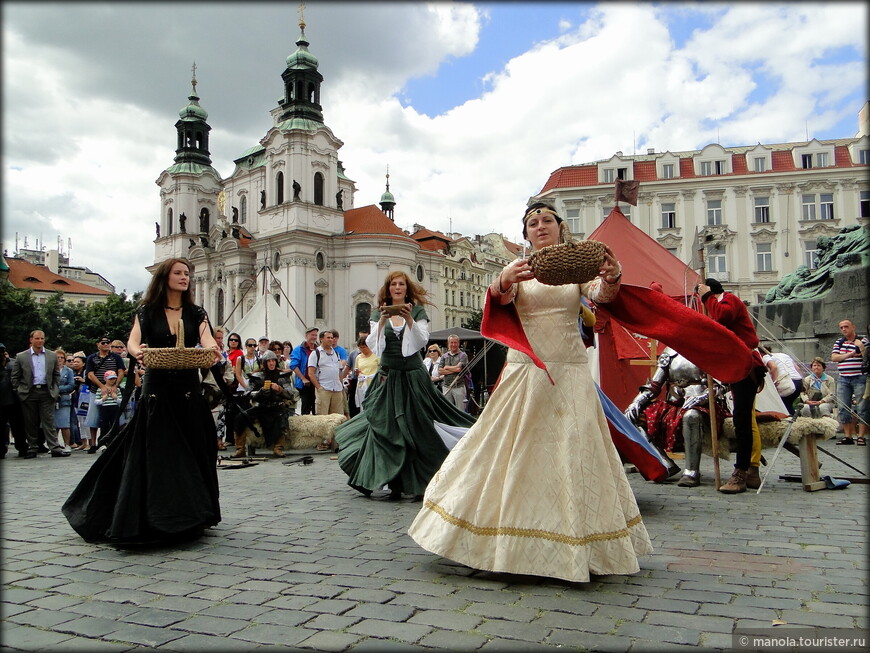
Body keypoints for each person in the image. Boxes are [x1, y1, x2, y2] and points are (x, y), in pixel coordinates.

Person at [408, 203, 651, 582]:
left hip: (569, 371)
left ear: (559, 228)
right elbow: (500, 302)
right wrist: (502, 281)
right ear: (525, 234)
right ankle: (494, 538)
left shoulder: (575, 269)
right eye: (533, 223)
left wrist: (613, 274)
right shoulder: (519, 269)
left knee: (573, 451)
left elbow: (601, 296)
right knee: (506, 448)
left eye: (547, 221)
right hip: (526, 369)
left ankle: (574, 542)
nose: (540, 227)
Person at [62, 257, 221, 544]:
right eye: (178, 273)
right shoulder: (147, 311)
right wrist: (138, 351)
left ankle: (194, 513)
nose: (185, 277)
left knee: (196, 448)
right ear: (165, 277)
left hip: (187, 387)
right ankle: (154, 516)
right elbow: (134, 340)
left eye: (187, 273)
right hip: (158, 387)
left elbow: (207, 339)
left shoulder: (196, 312)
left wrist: (212, 349)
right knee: (158, 452)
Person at [335, 270, 477, 500]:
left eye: (401, 284)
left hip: (412, 377)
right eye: (394, 284)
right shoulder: (377, 313)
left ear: (406, 288)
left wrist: (409, 318)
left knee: (417, 426)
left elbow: (421, 341)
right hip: (388, 378)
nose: (398, 288)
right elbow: (373, 344)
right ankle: (390, 481)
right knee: (385, 428)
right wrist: (382, 319)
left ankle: (423, 479)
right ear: (388, 288)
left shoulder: (418, 311)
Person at [697, 278, 766, 493]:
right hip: (736, 365)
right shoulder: (715, 304)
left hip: (746, 365)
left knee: (742, 420)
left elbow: (723, 316)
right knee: (742, 419)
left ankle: (742, 472)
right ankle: (751, 472)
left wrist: (706, 296)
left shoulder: (729, 299)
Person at [624, 348, 724, 488]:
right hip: (674, 404)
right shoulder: (669, 353)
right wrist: (637, 402)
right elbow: (654, 386)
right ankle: (664, 463)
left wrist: (702, 398)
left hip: (705, 406)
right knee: (634, 416)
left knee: (691, 416)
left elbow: (722, 385)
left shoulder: (707, 347)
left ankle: (691, 472)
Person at [10, 330, 68, 459]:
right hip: (28, 392)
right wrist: (19, 389)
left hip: (46, 391)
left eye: (42, 338)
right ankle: (33, 447)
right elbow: (15, 377)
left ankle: (54, 447)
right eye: (37, 338)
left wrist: (55, 388)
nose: (40, 341)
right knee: (30, 421)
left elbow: (56, 374)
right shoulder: (21, 356)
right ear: (31, 340)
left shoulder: (51, 355)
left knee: (49, 421)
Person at [231, 350, 297, 458]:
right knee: (240, 417)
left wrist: (280, 389)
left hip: (276, 407)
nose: (271, 363)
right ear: (264, 363)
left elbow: (290, 394)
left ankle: (278, 447)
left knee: (282, 419)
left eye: (273, 361)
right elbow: (247, 393)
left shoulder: (282, 376)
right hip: (261, 407)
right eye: (269, 361)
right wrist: (259, 392)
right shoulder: (256, 376)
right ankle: (240, 448)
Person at [83, 336, 126, 453]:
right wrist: (102, 387)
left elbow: (121, 371)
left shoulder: (116, 357)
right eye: (103, 342)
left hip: (113, 390)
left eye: (108, 342)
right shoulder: (92, 358)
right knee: (94, 417)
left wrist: (115, 385)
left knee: (116, 418)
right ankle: (93, 444)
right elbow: (90, 374)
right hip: (95, 390)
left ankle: (114, 441)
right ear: (98, 344)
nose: (106, 344)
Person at [308, 330, 348, 448]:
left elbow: (339, 371)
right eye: (328, 338)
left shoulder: (336, 353)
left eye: (332, 338)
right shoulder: (316, 353)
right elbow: (311, 373)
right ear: (321, 339)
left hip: (337, 388)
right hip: (324, 388)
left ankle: (336, 442)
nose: (331, 340)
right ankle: (322, 442)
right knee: (322, 417)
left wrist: (341, 386)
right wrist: (319, 388)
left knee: (337, 417)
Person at [831, 319, 868, 445]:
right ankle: (848, 436)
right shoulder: (839, 342)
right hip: (843, 378)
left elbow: (865, 356)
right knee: (843, 407)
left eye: (846, 326)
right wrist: (852, 354)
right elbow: (834, 357)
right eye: (841, 327)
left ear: (853, 327)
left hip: (859, 377)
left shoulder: (862, 340)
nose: (843, 329)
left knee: (862, 407)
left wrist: (861, 347)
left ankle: (861, 436)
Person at [0, 343, 27, 459]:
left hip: (15, 400)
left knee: (19, 427)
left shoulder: (13, 363)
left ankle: (22, 448)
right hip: (2, 401)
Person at [760, 345, 802, 416]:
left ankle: (791, 422)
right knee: (788, 404)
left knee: (782, 406)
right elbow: (798, 369)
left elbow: (774, 367)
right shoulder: (784, 355)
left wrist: (773, 383)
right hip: (798, 381)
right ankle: (796, 419)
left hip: (787, 382)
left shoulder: (765, 357)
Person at [290, 327, 319, 415]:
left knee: (316, 406)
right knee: (306, 405)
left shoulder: (319, 350)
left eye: (315, 335)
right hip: (305, 383)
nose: (314, 337)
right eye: (312, 335)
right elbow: (293, 365)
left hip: (317, 382)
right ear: (306, 336)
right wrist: (303, 378)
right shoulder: (299, 349)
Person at [438, 335, 469, 411]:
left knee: (460, 410)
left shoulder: (463, 355)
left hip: (459, 386)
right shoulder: (444, 356)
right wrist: (454, 368)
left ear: (458, 343)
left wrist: (446, 367)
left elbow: (459, 369)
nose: (453, 345)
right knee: (448, 410)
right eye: (451, 342)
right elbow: (440, 371)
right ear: (448, 344)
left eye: (455, 342)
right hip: (446, 386)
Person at [54, 348, 76, 450]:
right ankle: (55, 444)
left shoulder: (69, 371)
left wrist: (58, 389)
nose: (59, 359)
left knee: (64, 423)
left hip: (64, 399)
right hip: (52, 399)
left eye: (62, 357)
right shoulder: (50, 369)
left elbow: (71, 385)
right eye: (57, 357)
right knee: (53, 424)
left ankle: (67, 444)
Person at [352, 338, 379, 413]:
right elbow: (356, 369)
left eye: (364, 347)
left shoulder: (376, 356)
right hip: (362, 383)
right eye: (360, 347)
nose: (362, 349)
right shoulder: (358, 357)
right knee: (362, 406)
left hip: (373, 383)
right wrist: (357, 372)